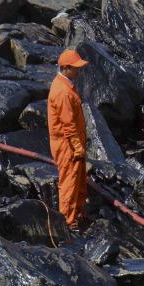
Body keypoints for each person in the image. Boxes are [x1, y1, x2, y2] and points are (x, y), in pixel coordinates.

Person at [48, 48, 89, 232]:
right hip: (66, 145)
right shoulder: (63, 92)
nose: (79, 71)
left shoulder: (65, 85)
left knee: (78, 180)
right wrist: (77, 147)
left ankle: (77, 215)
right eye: (75, 68)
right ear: (65, 68)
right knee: (69, 183)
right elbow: (68, 125)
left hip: (71, 143)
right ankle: (68, 222)